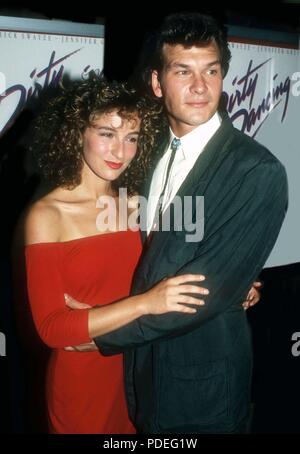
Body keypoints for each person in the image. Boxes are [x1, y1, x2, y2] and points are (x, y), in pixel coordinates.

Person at [83, 12, 287, 434]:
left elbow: (201, 294)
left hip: (201, 388)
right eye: (183, 71)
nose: (199, 87)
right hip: (136, 378)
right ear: (158, 83)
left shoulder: (257, 170)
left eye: (211, 71)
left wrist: (97, 334)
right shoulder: (141, 148)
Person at [18, 76, 210, 434]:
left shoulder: (136, 203)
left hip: (141, 371)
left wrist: (238, 287)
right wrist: (144, 304)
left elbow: (183, 263)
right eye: (107, 134)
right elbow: (52, 329)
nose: (120, 152)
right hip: (84, 384)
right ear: (77, 134)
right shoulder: (48, 215)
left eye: (131, 138)